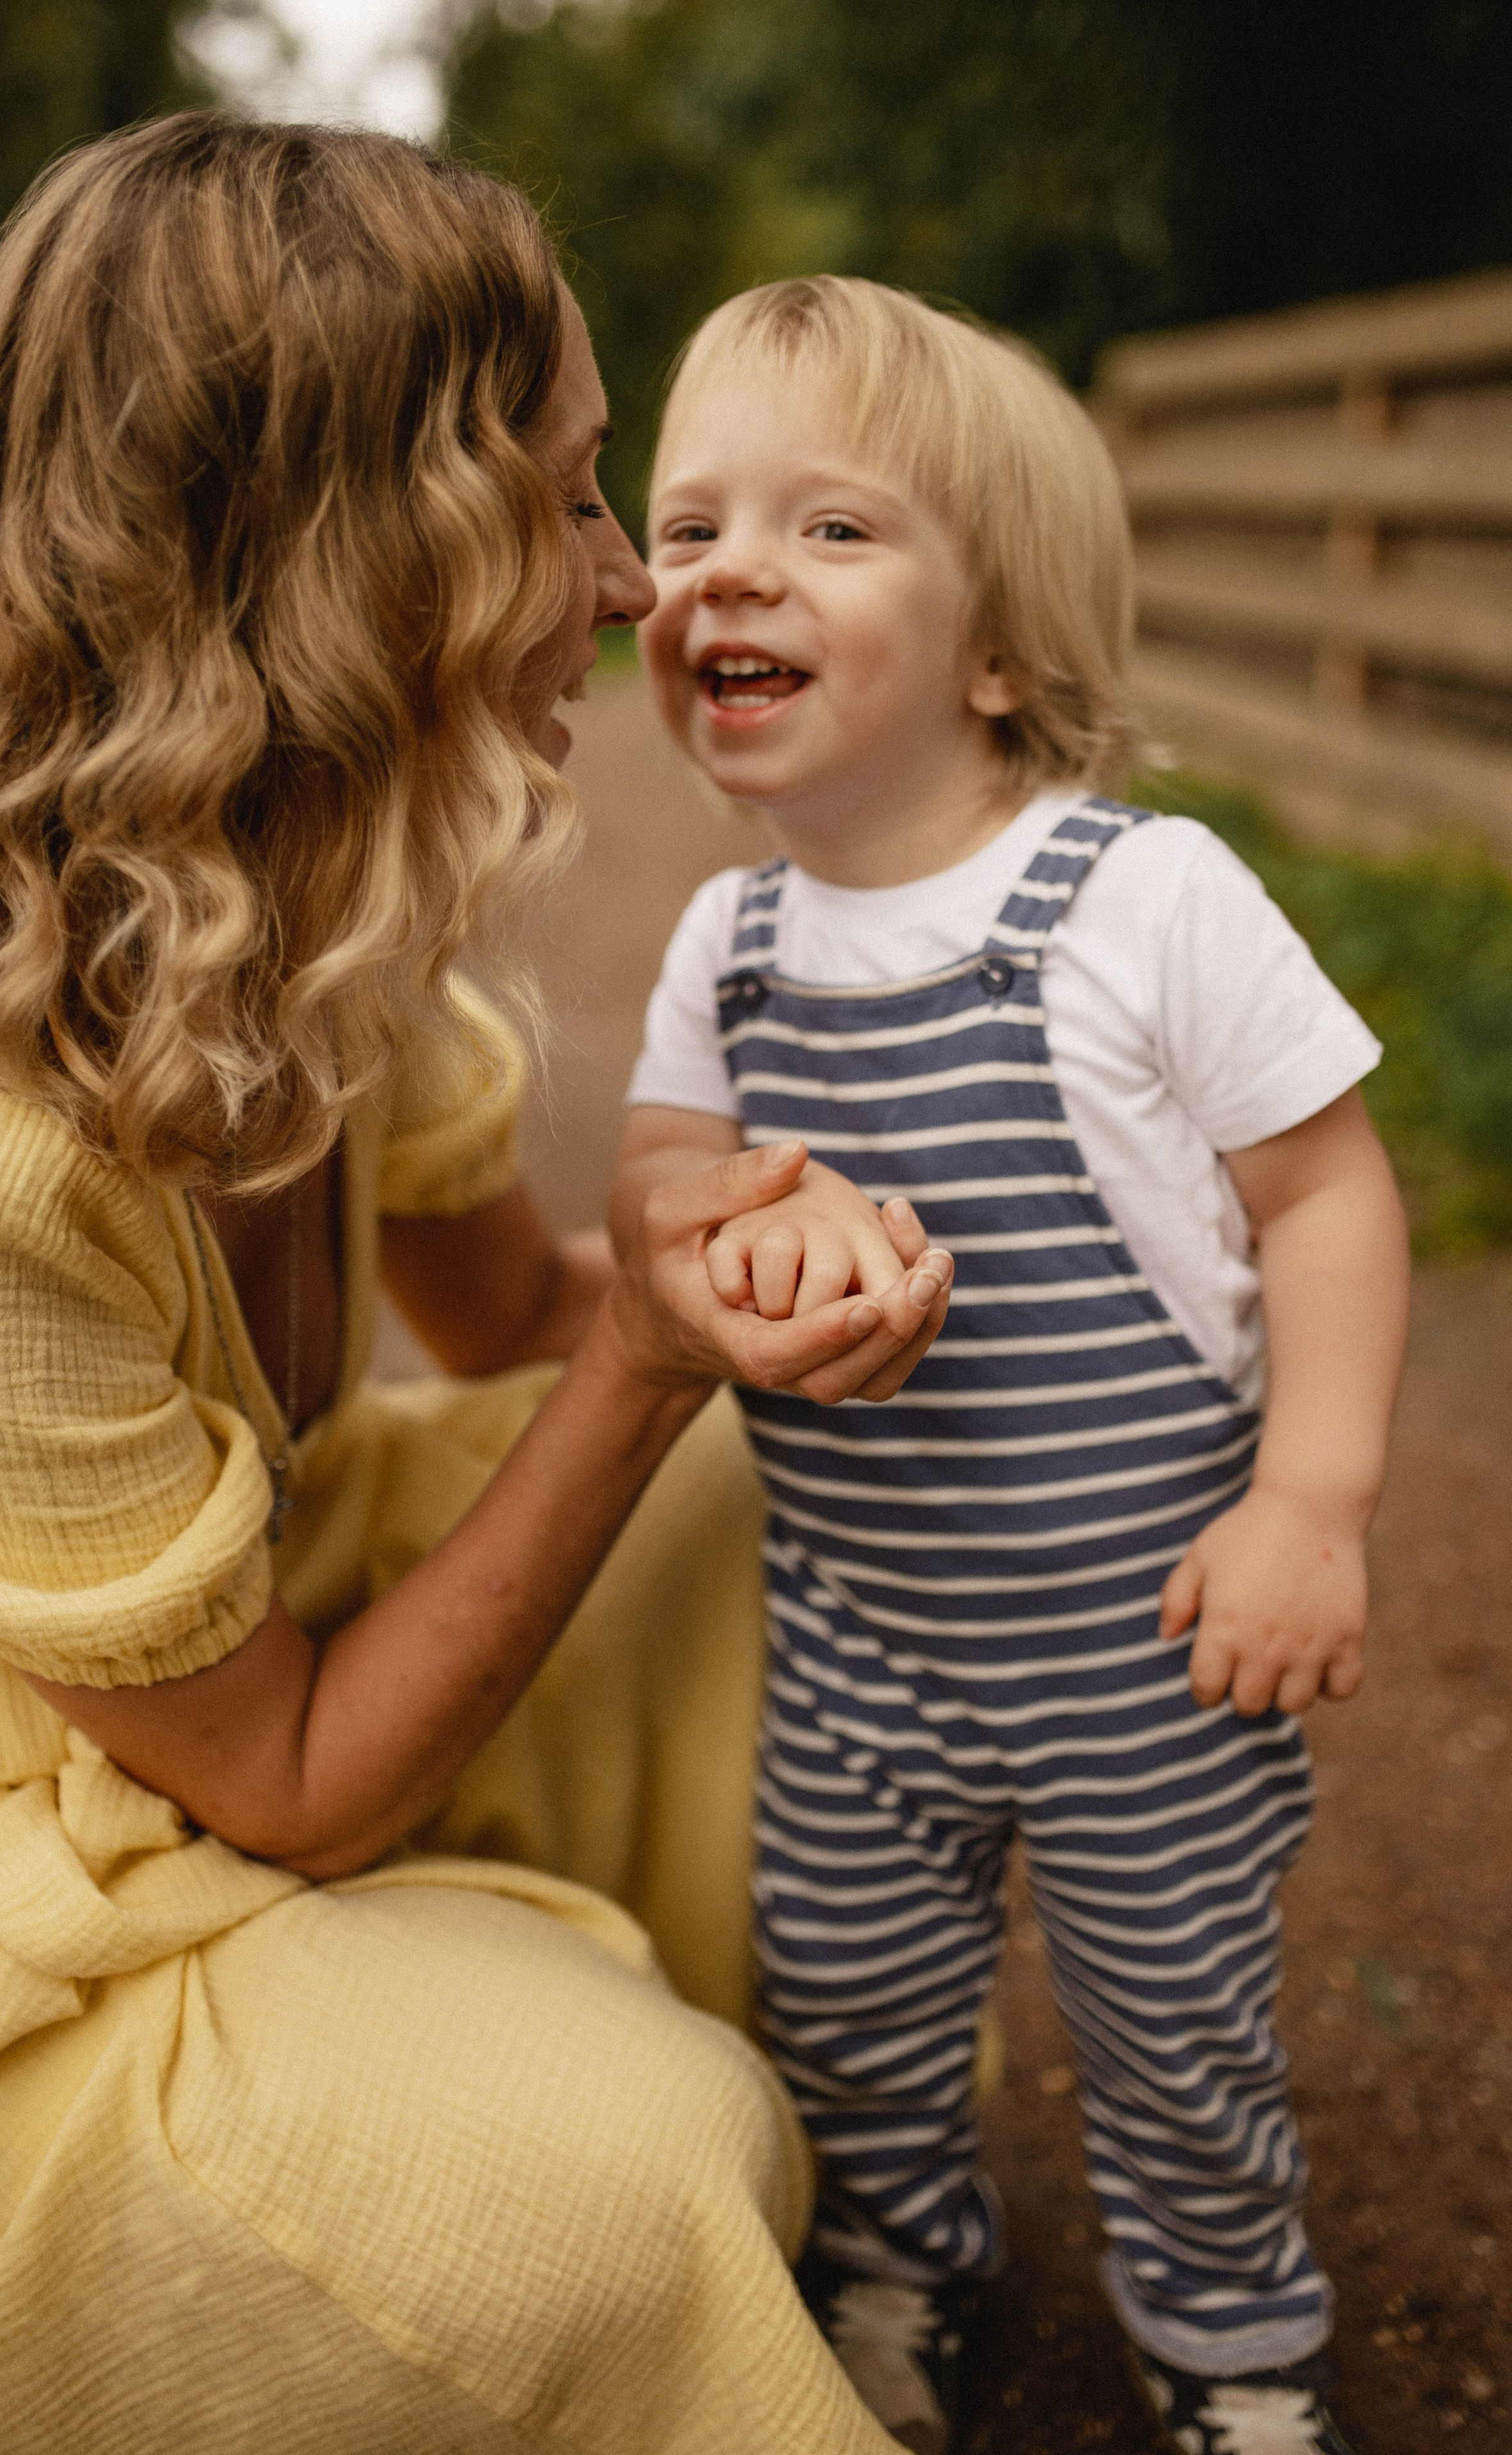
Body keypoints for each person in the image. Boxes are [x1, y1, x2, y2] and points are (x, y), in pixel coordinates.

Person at [0, 124, 959, 2454]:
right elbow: (288, 1781)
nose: (628, 583)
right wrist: (654, 1357)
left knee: (777, 1480)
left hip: (207, 1711)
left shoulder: (300, 916)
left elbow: (514, 1325)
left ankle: (599, 2033)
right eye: (565, 502)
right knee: (633, 2181)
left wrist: (776, 1274)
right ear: (344, 565)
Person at [611, 274, 1411, 2455]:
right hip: (860, 1644)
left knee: (1177, 2034)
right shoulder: (728, 943)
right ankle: (897, 2275)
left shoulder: (1143, 901)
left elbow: (1328, 1198)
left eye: (829, 527)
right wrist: (737, 1214)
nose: (732, 570)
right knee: (849, 2013)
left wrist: (1310, 1502)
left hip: (1150, 1642)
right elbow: (665, 1178)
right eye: (689, 527)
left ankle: (1234, 2341)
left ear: (997, 655)